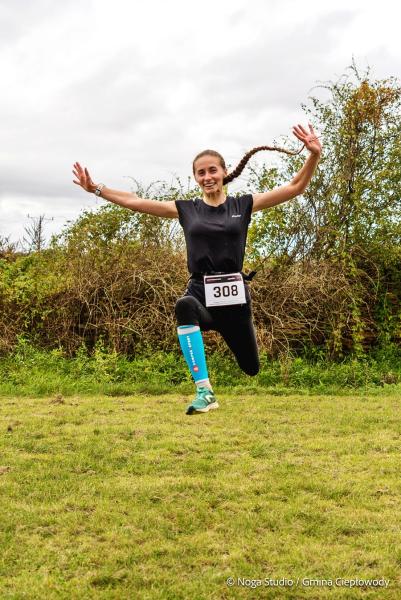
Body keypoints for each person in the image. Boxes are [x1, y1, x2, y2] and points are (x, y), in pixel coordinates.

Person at [72, 124, 322, 414]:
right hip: (200, 293)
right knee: (184, 305)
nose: (207, 177)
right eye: (201, 173)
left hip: (234, 301)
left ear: (223, 172)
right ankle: (204, 391)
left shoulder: (243, 205)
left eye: (212, 170)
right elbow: (136, 202)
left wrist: (313, 156)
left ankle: (227, 361)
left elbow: (294, 188)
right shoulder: (187, 210)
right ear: (195, 178)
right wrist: (97, 189)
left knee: (251, 368)